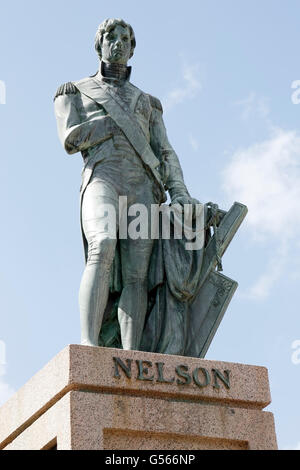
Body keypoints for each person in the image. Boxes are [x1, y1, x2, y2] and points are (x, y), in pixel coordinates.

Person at [54, 18, 198, 351]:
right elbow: (71, 138)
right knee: (101, 245)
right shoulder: (74, 91)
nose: (117, 43)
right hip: (102, 176)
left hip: (143, 187)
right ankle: (89, 346)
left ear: (132, 49)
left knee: (137, 275)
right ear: (99, 45)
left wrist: (179, 191)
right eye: (111, 37)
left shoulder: (148, 102)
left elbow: (165, 151)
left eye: (125, 39)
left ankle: (132, 357)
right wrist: (117, 120)